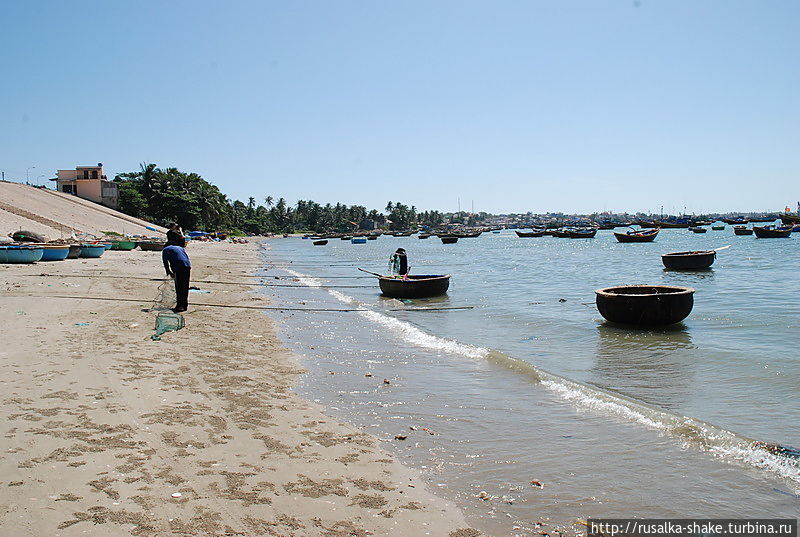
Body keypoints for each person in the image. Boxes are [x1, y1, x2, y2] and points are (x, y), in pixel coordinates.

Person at [162, 237, 191, 313]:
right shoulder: (179, 248)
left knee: (179, 287)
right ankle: (184, 305)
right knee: (185, 286)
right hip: (187, 266)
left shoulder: (165, 250)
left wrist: (169, 272)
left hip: (179, 267)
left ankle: (180, 306)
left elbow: (165, 262)